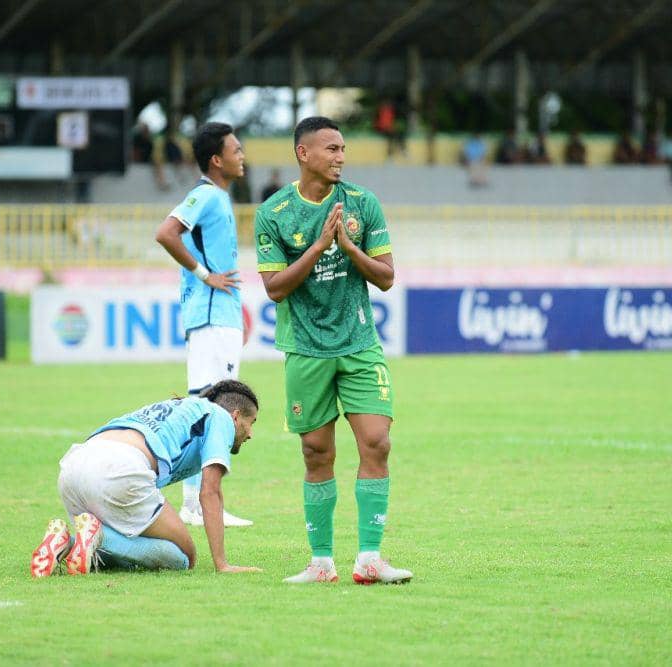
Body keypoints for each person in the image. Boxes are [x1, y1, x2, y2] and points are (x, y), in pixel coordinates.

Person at [255, 116, 412, 585]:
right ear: (304, 154)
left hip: (359, 342)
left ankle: (370, 559)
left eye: (343, 148)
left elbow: (385, 277)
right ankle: (321, 563)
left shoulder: (363, 204)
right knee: (316, 452)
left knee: (377, 442)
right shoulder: (275, 212)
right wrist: (319, 245)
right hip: (305, 348)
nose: (341, 157)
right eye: (332, 149)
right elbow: (274, 289)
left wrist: (347, 247)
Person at [29, 380, 263, 577]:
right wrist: (222, 564)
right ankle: (101, 538)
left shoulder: (181, 407)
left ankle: (66, 543)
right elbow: (210, 492)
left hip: (74, 466)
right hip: (119, 469)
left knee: (119, 536)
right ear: (235, 416)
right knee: (183, 557)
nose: (251, 434)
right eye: (251, 423)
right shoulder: (220, 417)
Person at [154, 122, 253, 528]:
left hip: (216, 317)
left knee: (205, 407)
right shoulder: (207, 195)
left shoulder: (219, 198)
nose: (242, 154)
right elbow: (166, 233)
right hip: (213, 315)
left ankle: (196, 504)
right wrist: (203, 273)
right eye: (236, 149)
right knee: (217, 408)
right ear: (217, 159)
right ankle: (200, 504)